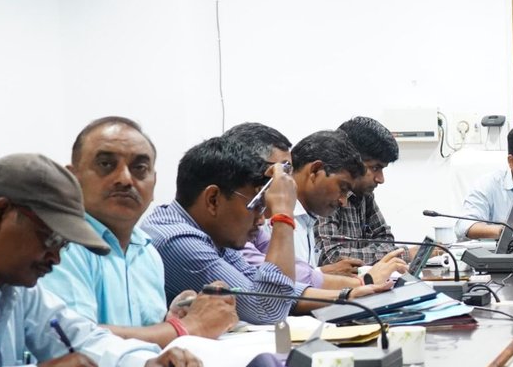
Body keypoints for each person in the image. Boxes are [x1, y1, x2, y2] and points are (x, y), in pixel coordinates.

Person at [0, 154, 204, 367]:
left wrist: (146, 363)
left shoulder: (18, 285)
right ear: (0, 213)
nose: (56, 258)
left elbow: (81, 339)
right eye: (51, 239)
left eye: (63, 245)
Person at [142, 137, 390, 326]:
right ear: (213, 199)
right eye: (256, 206)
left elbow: (259, 285)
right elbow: (267, 308)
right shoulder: (177, 241)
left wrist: (346, 296)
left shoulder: (212, 234)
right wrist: (282, 213)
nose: (262, 219)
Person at [40, 117, 238, 348]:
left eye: (140, 168)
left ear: (154, 182)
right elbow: (73, 342)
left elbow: (143, 336)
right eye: (106, 164)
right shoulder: (59, 245)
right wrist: (189, 327)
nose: (125, 179)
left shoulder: (146, 251)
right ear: (72, 179)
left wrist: (172, 319)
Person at [241, 130, 406, 290]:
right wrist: (364, 282)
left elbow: (301, 277)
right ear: (315, 171)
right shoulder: (268, 217)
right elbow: (280, 284)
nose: (343, 202)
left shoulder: (308, 216)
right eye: (342, 188)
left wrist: (323, 275)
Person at [317, 116, 402, 269]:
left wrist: (391, 254)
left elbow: (386, 240)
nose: (381, 179)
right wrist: (401, 254)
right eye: (375, 168)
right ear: (351, 160)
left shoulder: (364, 194)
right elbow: (331, 257)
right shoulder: (325, 192)